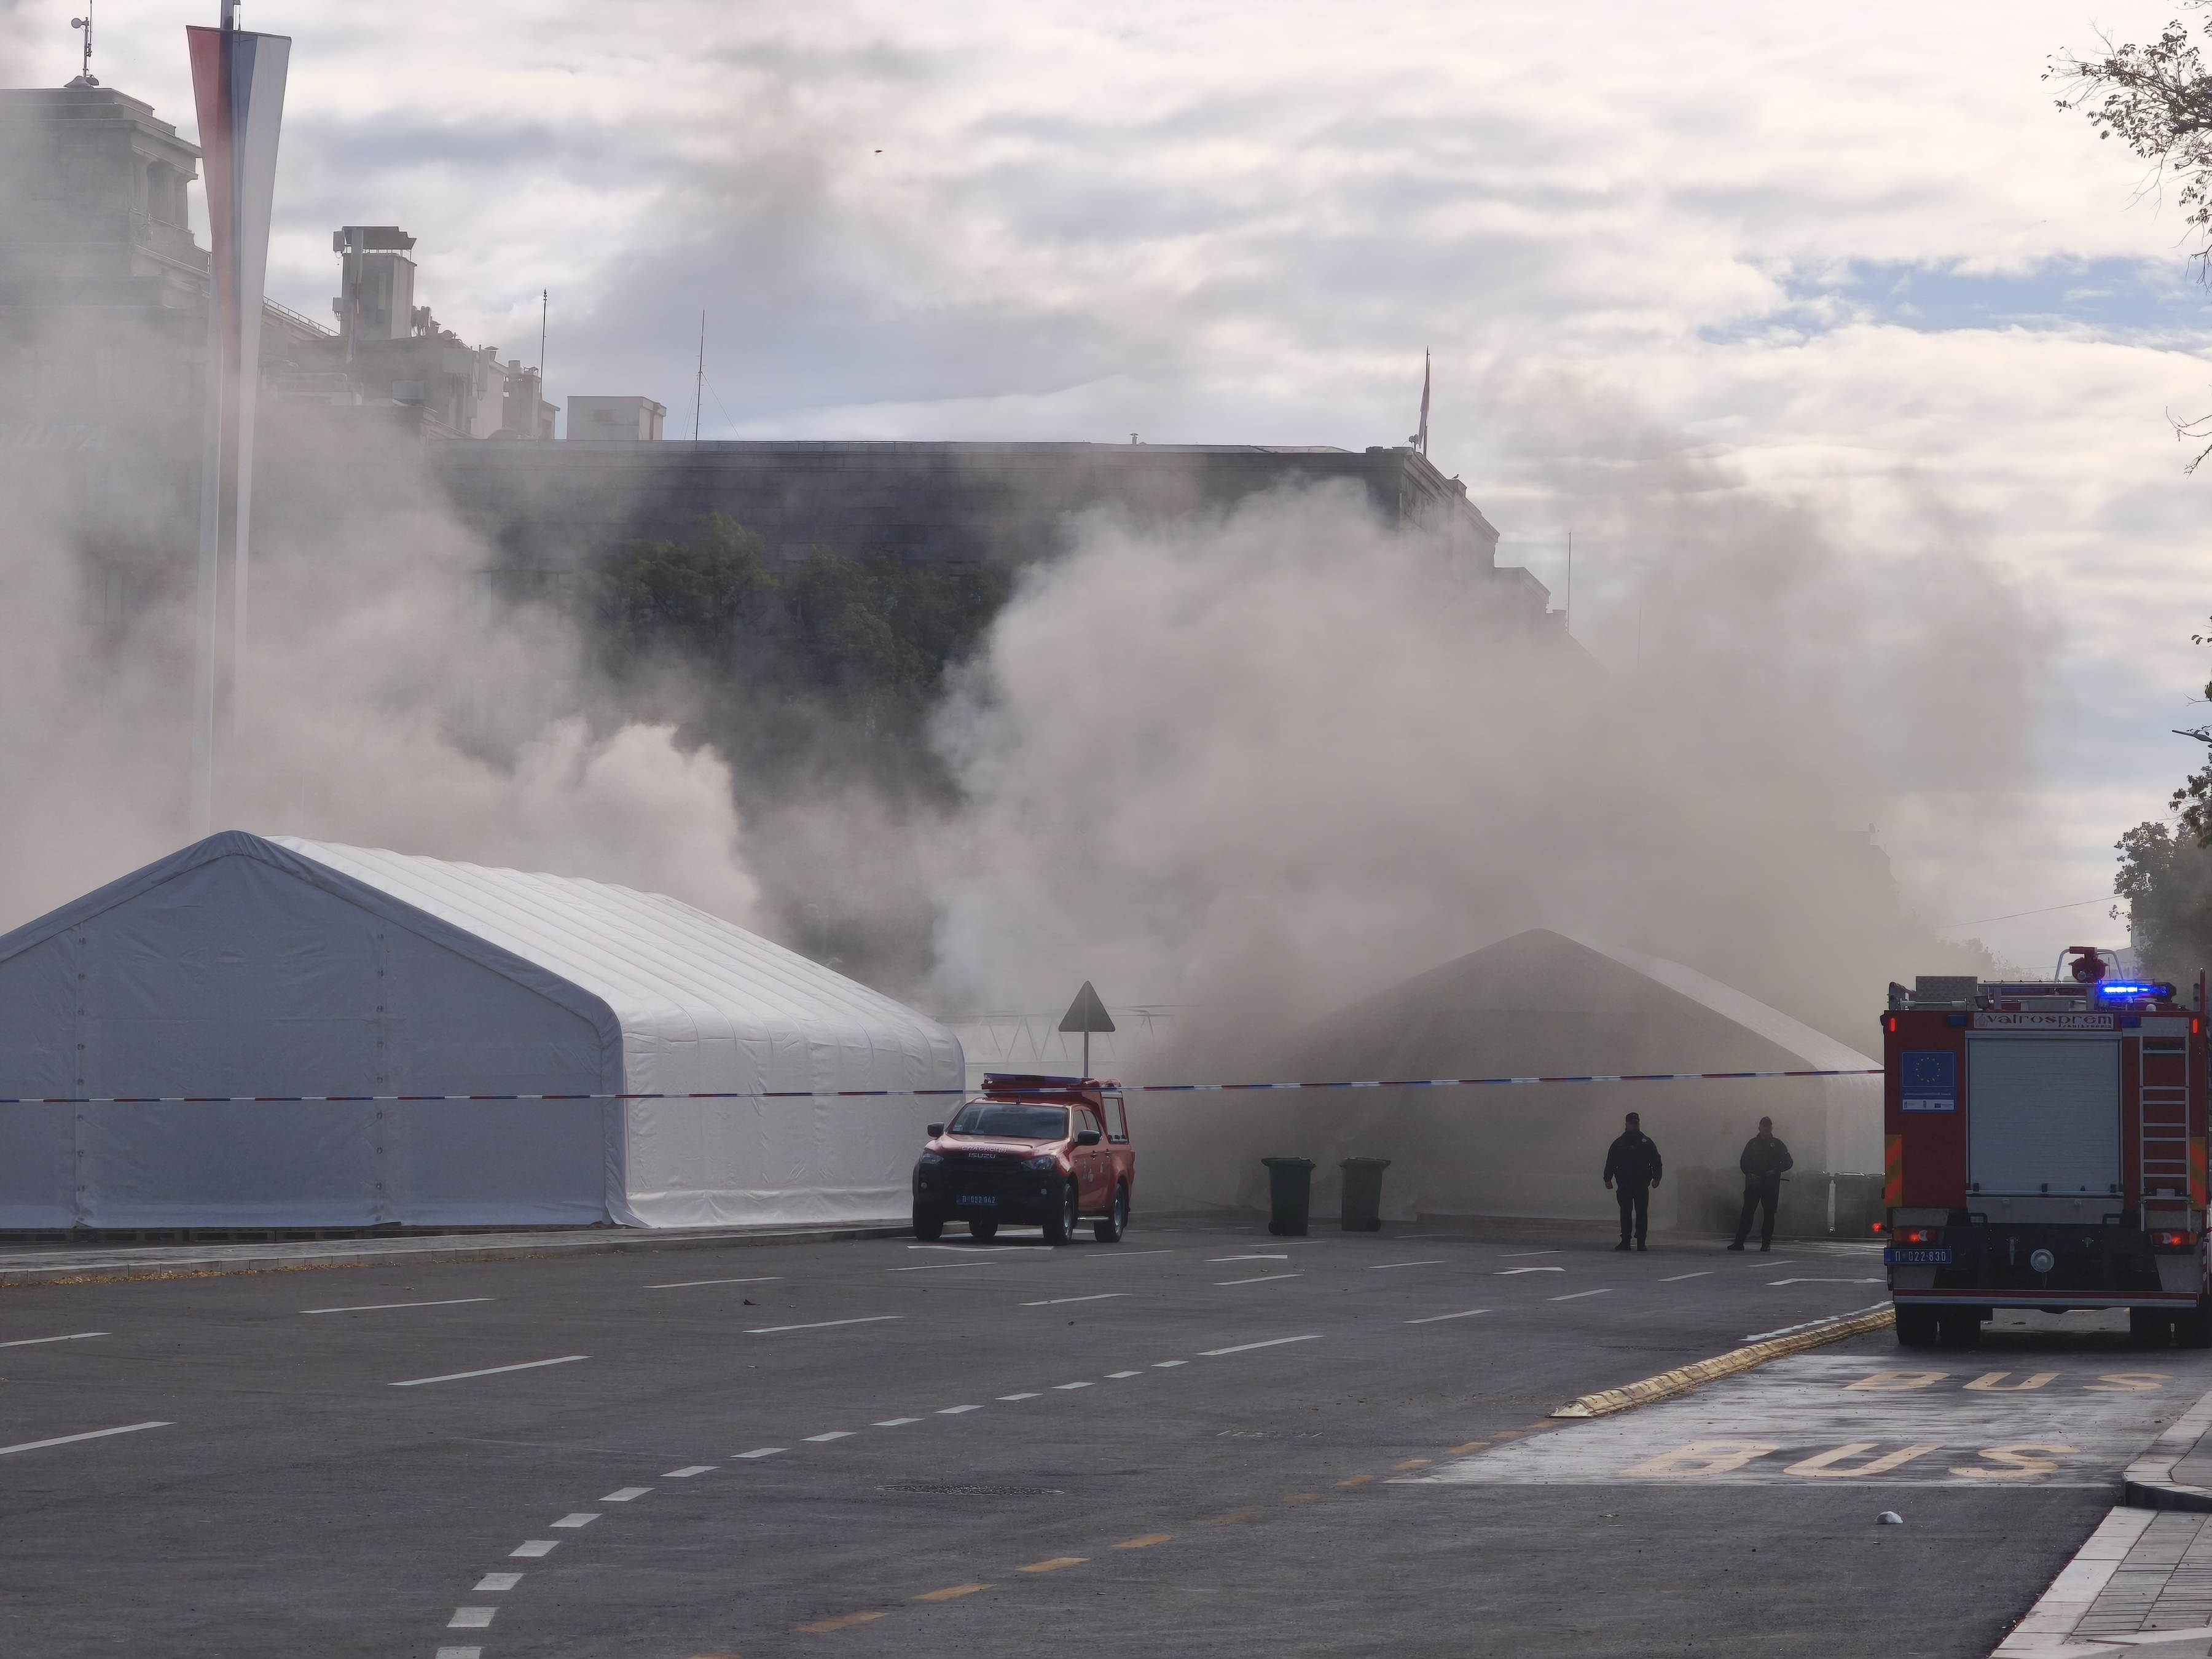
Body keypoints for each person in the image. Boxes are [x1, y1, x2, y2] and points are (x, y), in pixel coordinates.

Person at [1729, 1115, 1794, 1253]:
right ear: (1760, 1128)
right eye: (1764, 1126)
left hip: (1770, 1184)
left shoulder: (1777, 1144)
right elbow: (1744, 1162)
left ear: (1771, 1128)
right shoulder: (1752, 1144)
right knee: (1747, 1212)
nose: (1766, 1129)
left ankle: (1766, 1243)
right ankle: (1739, 1242)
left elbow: (1788, 1162)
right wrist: (1749, 1174)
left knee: (1769, 1214)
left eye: (1769, 1126)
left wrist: (1776, 1171)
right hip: (1754, 1182)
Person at [1601, 1111, 1663, 1252]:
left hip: (1641, 1184)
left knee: (1642, 1213)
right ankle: (1625, 1240)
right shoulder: (1619, 1144)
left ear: (1639, 1124)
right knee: (1625, 1212)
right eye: (1631, 1124)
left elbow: (1656, 1160)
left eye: (1636, 1123)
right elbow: (1611, 1161)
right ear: (1626, 1125)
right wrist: (1607, 1178)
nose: (1634, 1126)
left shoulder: (1646, 1143)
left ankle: (1641, 1241)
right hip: (1624, 1184)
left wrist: (1657, 1178)